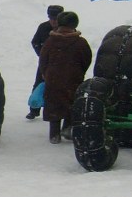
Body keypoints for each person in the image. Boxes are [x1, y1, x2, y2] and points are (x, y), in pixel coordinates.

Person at [39, 11, 92, 144]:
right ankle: (68, 129)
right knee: (71, 104)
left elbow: (43, 60)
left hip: (53, 80)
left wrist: (46, 74)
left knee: (53, 106)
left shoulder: (50, 41)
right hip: (73, 80)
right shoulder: (80, 43)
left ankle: (54, 135)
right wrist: (78, 72)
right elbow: (86, 60)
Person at [27, 5, 63, 119]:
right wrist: (41, 54)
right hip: (45, 63)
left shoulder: (66, 28)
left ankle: (58, 110)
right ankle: (34, 109)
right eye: (51, 18)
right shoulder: (43, 27)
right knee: (38, 85)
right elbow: (35, 42)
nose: (53, 21)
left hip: (62, 64)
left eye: (56, 19)